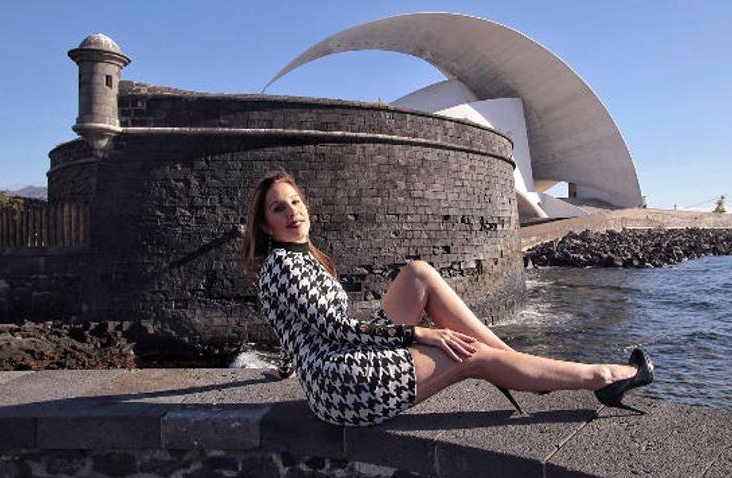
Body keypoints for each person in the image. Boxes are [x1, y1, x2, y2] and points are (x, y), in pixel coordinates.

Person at [241, 169, 654, 427]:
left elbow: (294, 323)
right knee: (468, 354)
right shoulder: (285, 265)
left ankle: (519, 367)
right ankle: (600, 378)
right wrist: (420, 334)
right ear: (266, 224)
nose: (293, 211)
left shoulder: (295, 258)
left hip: (330, 364)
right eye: (279, 208)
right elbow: (332, 327)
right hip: (340, 384)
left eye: (295, 201)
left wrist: (289, 367)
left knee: (417, 274)